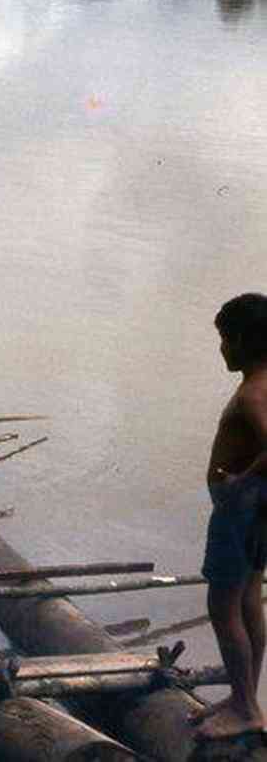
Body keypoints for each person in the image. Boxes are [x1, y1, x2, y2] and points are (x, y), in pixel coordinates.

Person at [195, 293, 267, 740]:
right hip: (259, 512)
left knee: (222, 607)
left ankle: (244, 706)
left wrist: (240, 482)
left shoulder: (253, 394)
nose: (221, 349)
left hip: (240, 512)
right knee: (248, 601)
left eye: (225, 339)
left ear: (242, 339)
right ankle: (246, 698)